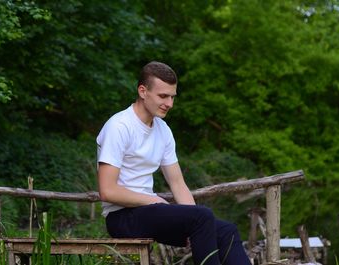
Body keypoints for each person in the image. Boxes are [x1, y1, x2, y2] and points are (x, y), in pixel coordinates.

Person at [96, 61, 251, 265]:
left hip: (150, 214)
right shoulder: (119, 126)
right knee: (202, 217)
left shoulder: (163, 130)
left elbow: (177, 183)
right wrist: (154, 200)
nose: (169, 103)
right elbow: (108, 191)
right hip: (122, 217)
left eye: (172, 97)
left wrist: (193, 220)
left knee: (225, 230)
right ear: (143, 91)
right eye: (163, 96)